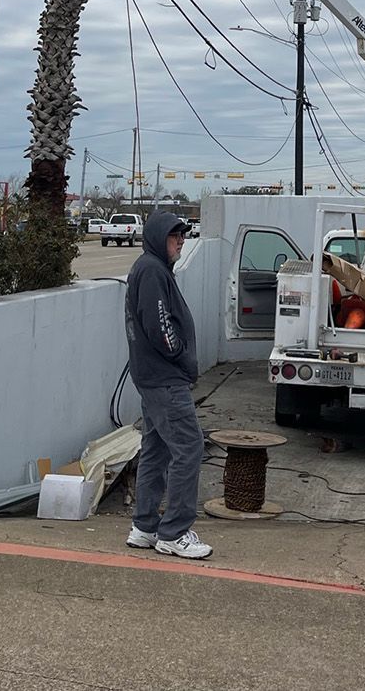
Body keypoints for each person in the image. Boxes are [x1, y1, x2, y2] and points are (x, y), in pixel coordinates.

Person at [124, 209, 213, 560]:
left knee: (157, 449)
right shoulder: (151, 270)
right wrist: (178, 352)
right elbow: (159, 324)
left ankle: (144, 527)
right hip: (164, 380)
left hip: (155, 378)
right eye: (175, 236)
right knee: (189, 446)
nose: (180, 242)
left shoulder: (154, 269)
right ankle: (174, 532)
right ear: (160, 237)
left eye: (183, 236)